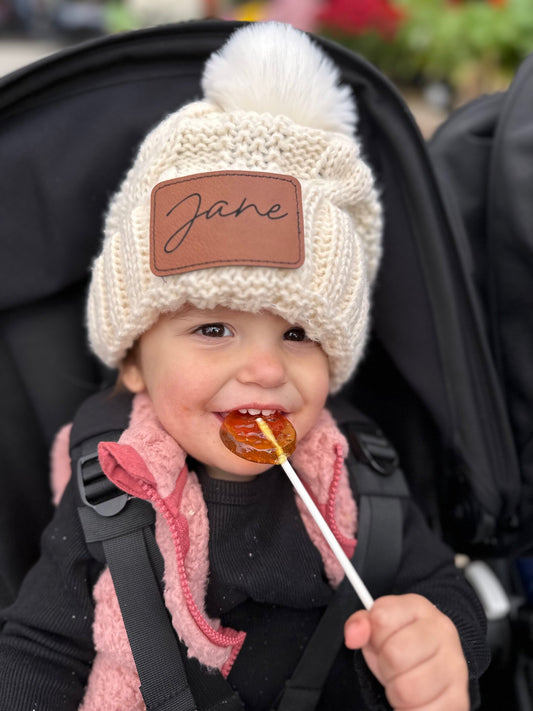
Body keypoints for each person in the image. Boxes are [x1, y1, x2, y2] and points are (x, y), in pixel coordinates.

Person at [0, 20, 489, 710]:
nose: (263, 367)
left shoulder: (357, 473)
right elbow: (39, 650)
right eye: (212, 327)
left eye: (296, 332)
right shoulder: (110, 485)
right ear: (136, 361)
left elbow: (441, 585)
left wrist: (441, 639)